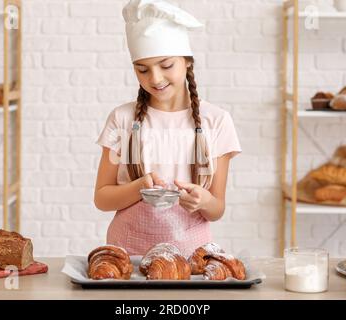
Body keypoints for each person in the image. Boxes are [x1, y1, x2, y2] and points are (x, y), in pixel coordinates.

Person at [94, 0, 241, 256]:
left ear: (187, 62)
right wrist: (139, 187)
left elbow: (216, 209)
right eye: (143, 69)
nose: (155, 78)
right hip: (129, 256)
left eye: (166, 65)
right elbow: (102, 198)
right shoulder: (122, 119)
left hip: (191, 257)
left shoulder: (216, 121)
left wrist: (203, 201)